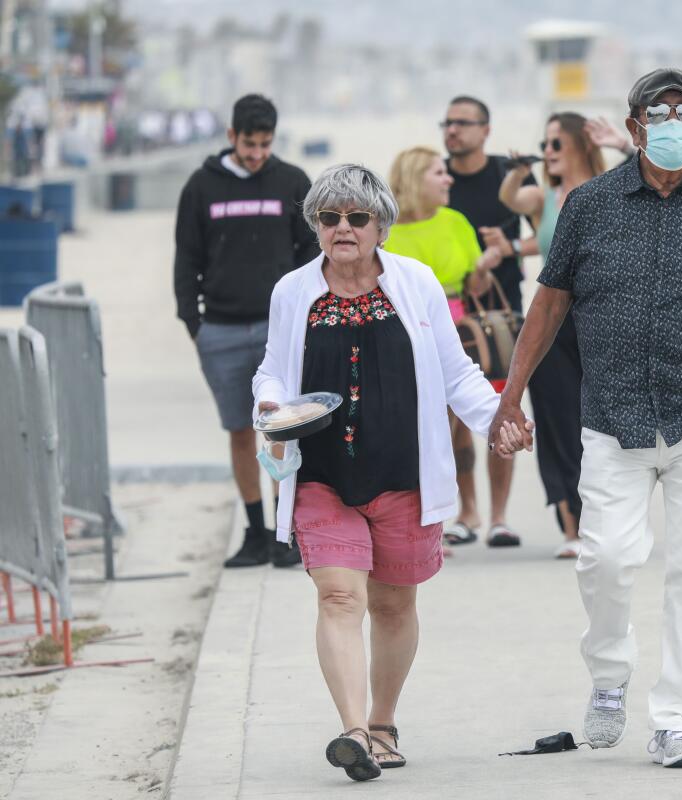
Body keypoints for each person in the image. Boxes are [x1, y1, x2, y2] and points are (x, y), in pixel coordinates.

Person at [492, 68, 682, 767]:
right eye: (660, 111)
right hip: (612, 414)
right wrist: (511, 394)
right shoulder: (590, 205)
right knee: (607, 558)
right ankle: (610, 677)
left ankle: (677, 720)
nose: (674, 122)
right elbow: (551, 300)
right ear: (636, 124)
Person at [253, 164, 505, 780]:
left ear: (380, 226)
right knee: (339, 596)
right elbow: (271, 370)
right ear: (315, 225)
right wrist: (269, 404)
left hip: (404, 472)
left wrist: (500, 419)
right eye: (329, 217)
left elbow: (455, 370)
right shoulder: (292, 291)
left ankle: (384, 721)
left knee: (393, 606)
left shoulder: (414, 283)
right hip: (322, 474)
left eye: (357, 217)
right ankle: (354, 731)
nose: (343, 228)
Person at [174, 93, 320, 568]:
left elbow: (309, 259)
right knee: (239, 432)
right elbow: (186, 258)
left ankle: (284, 532)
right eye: (249, 143)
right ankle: (254, 532)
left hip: (278, 332)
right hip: (219, 330)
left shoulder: (292, 181)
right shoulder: (201, 187)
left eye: (265, 144)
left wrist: (305, 317)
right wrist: (194, 323)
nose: (257, 153)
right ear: (231, 136)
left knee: (279, 429)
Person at [382, 147, 515, 548]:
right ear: (414, 178)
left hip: (466, 332)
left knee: (495, 414)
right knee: (440, 429)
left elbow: (475, 287)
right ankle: (463, 512)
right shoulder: (386, 231)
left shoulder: (455, 221)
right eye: (438, 173)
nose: (449, 180)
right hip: (410, 338)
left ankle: (499, 518)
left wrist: (485, 265)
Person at [498, 112, 610, 559]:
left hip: (602, 320)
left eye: (556, 144)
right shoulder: (544, 197)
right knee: (558, 423)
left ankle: (603, 521)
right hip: (551, 323)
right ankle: (571, 527)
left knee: (600, 427)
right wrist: (520, 171)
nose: (548, 153)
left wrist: (620, 144)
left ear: (582, 145)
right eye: (544, 144)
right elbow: (510, 198)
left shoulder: (611, 190)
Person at [438, 96, 532, 546]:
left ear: (486, 129)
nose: (452, 131)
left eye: (462, 123)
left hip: (501, 316)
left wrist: (503, 250)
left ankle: (499, 516)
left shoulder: (506, 176)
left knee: (503, 410)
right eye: (448, 123)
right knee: (455, 417)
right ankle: (467, 511)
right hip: (451, 314)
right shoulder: (438, 178)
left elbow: (543, 226)